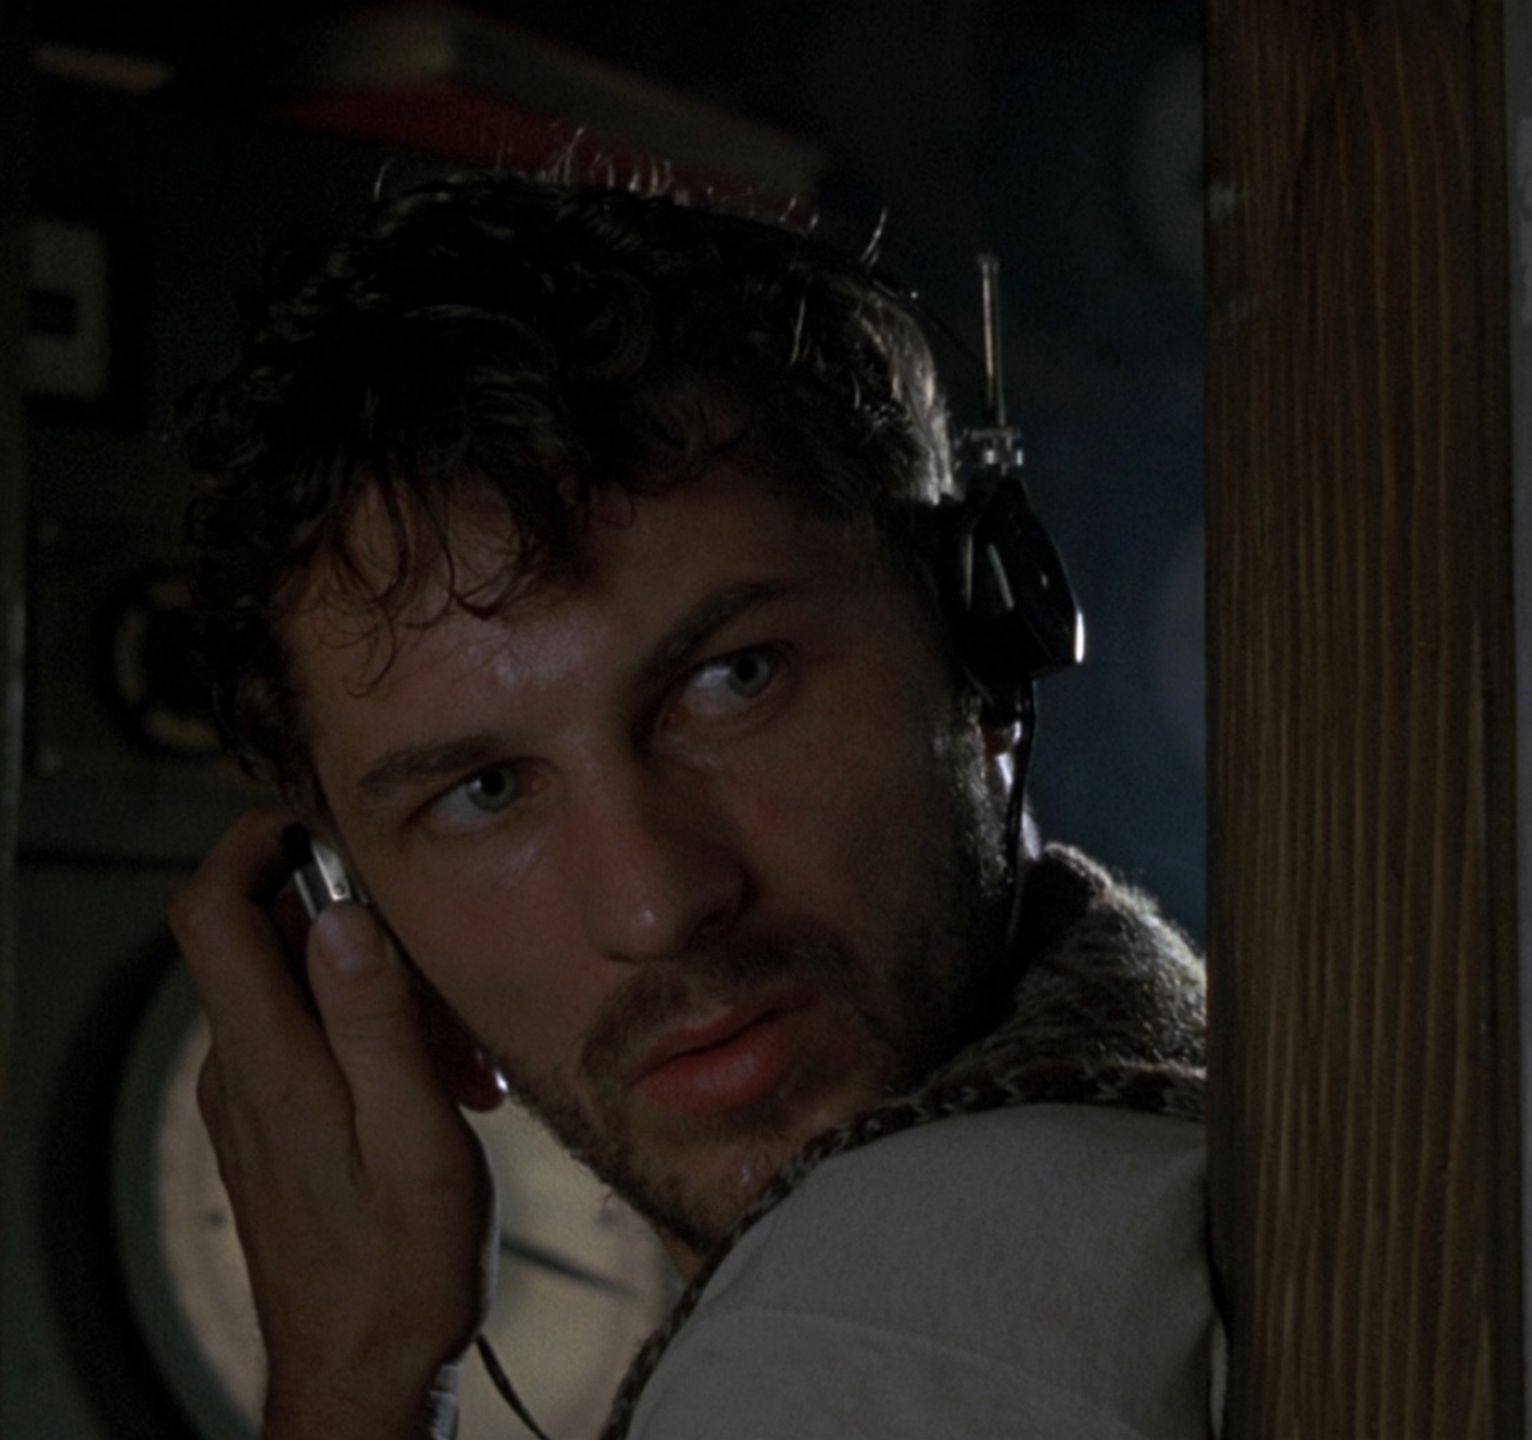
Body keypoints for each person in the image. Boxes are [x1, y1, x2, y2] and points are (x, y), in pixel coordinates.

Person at [170, 172, 1216, 1440]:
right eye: (484, 794)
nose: (656, 904)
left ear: (980, 645)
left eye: (733, 682)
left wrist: (349, 1387)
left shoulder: (864, 1337)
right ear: (365, 933)